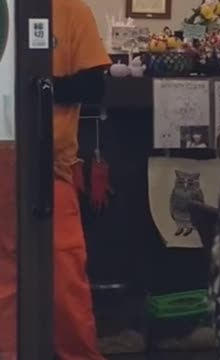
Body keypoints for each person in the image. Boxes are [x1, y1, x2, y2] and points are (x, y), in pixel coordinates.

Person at [0, 0, 111, 359]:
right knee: (5, 281)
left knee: (65, 279)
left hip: (50, 167)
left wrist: (40, 86)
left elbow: (95, 85)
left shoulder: (70, 9)